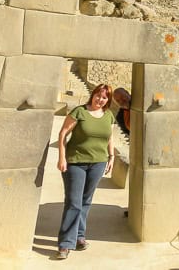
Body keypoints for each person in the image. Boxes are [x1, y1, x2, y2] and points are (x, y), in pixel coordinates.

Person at [56, 83, 115, 260]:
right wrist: (62, 157)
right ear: (93, 95)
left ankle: (79, 236)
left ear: (108, 100)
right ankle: (66, 243)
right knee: (74, 202)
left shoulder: (108, 115)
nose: (100, 99)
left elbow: (110, 137)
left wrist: (111, 157)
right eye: (98, 95)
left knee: (86, 201)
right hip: (76, 162)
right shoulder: (79, 112)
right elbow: (63, 133)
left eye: (104, 97)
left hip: (98, 163)